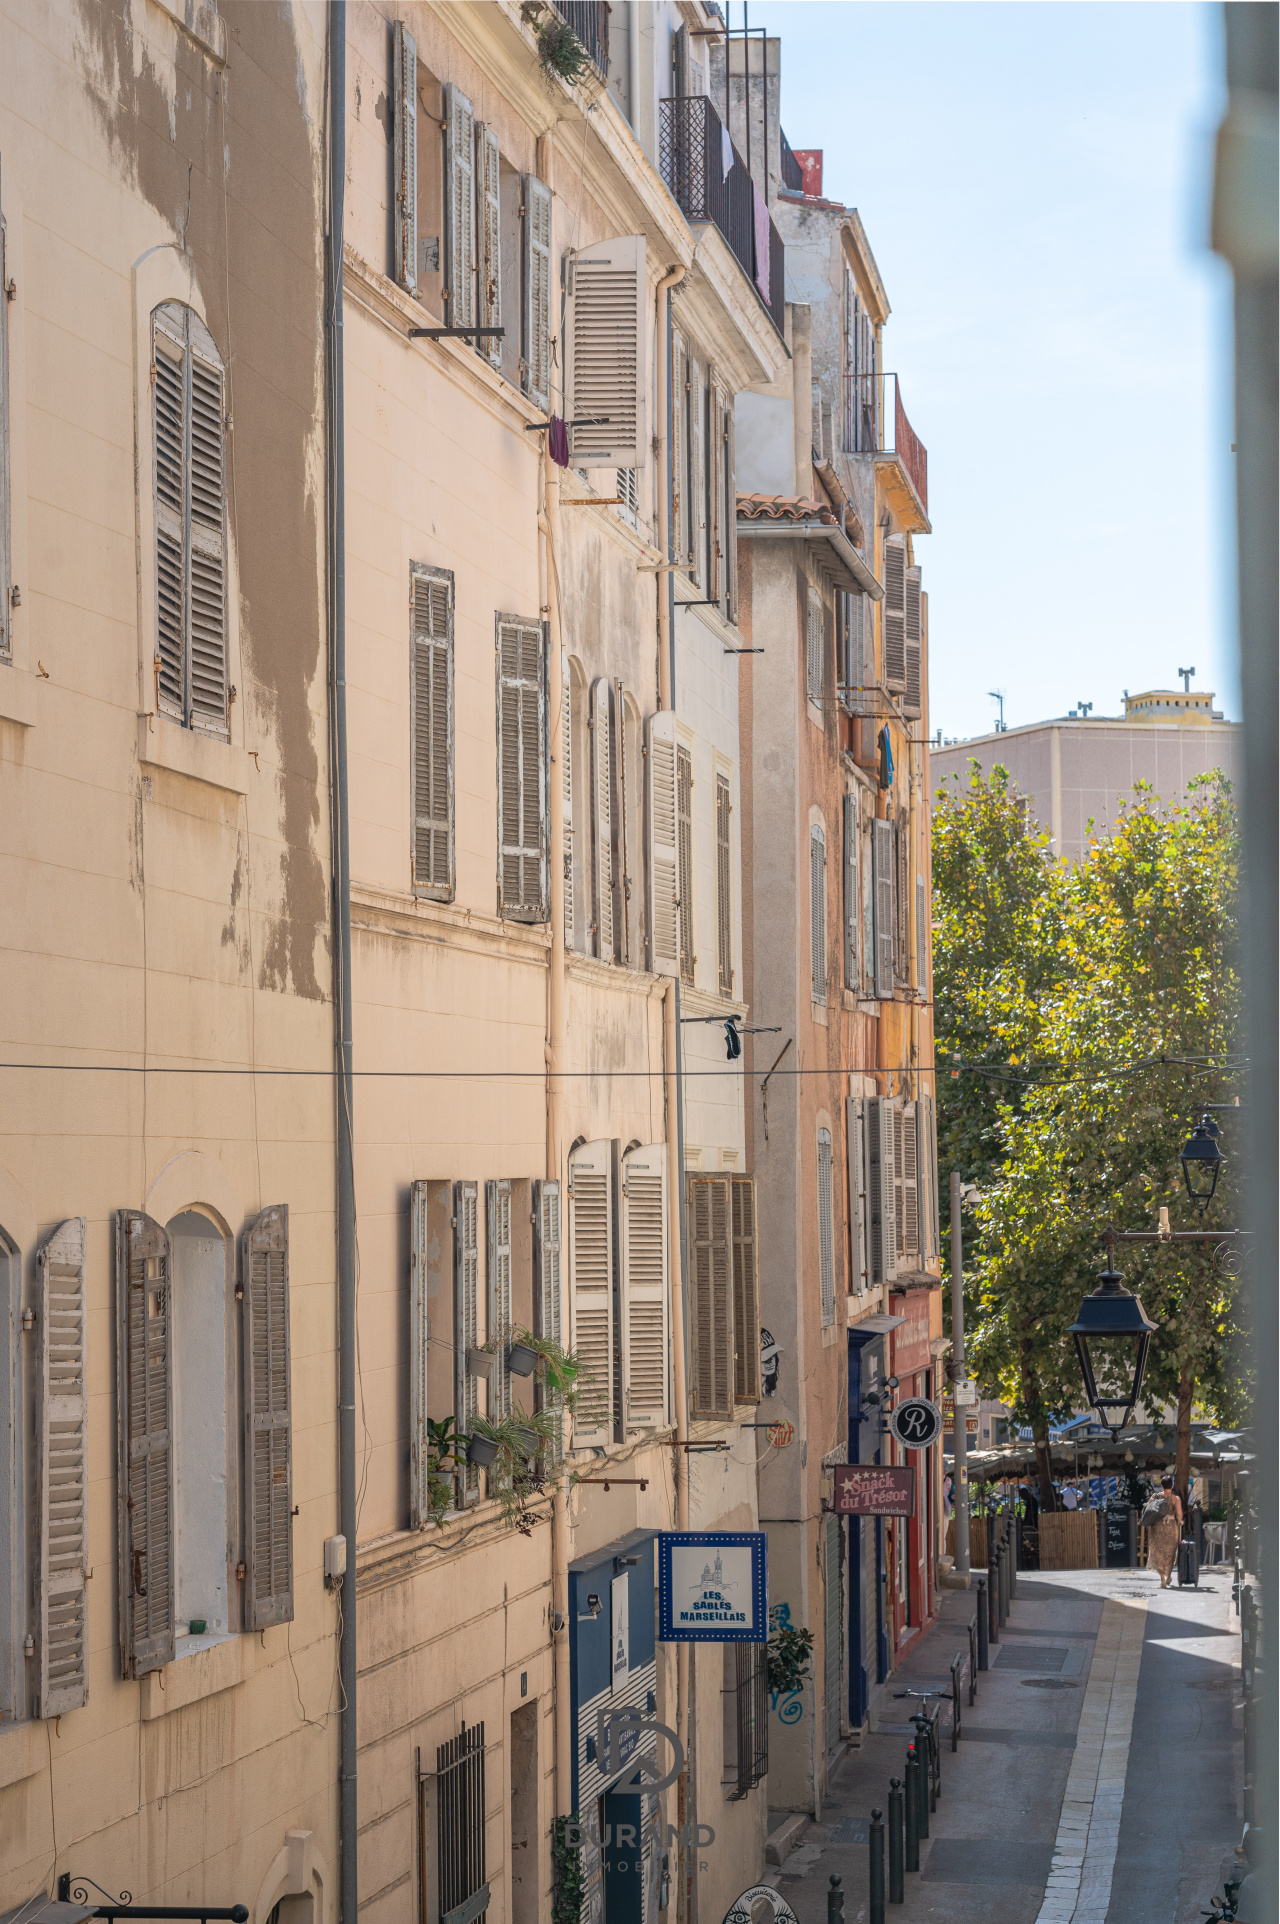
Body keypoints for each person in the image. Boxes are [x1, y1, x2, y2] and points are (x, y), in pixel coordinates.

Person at [1145, 1474, 1183, 1587]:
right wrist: (1180, 1521)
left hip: (1158, 1527)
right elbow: (1179, 1515)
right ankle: (1169, 1575)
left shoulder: (1155, 1496)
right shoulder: (1176, 1499)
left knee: (1159, 1553)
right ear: (1172, 1486)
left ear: (1161, 1486)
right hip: (1171, 1527)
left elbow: (1148, 1509)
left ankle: (1162, 1580)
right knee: (1170, 1553)